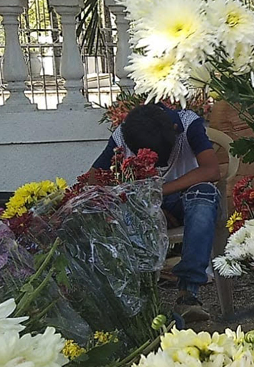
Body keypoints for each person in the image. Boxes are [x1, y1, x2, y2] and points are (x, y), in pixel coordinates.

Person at [89, 103, 221, 322]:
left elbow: (211, 170)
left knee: (204, 193)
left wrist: (157, 192)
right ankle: (139, 301)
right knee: (116, 207)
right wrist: (149, 205)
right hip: (146, 207)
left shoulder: (188, 124)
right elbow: (92, 180)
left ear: (174, 133)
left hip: (185, 202)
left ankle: (188, 294)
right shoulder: (123, 134)